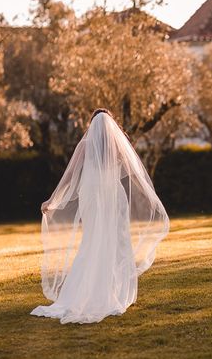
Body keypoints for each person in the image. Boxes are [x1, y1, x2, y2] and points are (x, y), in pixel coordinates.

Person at [30, 109, 169, 324]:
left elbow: (69, 176)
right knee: (115, 242)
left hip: (92, 197)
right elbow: (136, 172)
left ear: (91, 125)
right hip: (113, 197)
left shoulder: (84, 146)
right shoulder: (117, 147)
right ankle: (112, 292)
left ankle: (89, 291)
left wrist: (52, 200)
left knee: (93, 241)